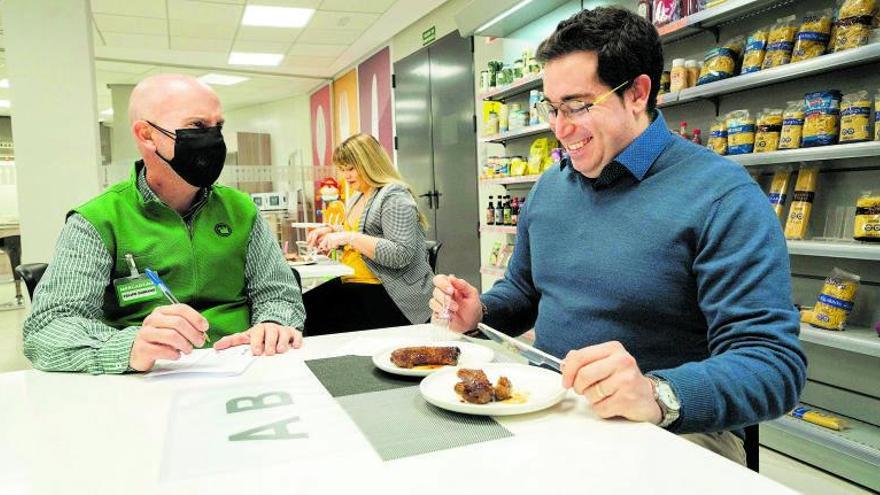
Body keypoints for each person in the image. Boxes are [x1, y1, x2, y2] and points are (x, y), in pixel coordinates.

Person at [431, 7, 806, 464]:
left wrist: (657, 393)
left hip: (671, 429)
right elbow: (526, 290)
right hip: (549, 408)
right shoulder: (550, 187)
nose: (560, 128)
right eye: (551, 108)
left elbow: (773, 366)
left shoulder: (721, 196)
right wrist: (481, 310)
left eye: (578, 105)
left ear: (637, 93)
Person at [22, 74, 305, 374]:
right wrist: (129, 347)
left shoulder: (241, 210)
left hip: (245, 371)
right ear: (146, 135)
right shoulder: (97, 220)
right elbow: (46, 329)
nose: (213, 140)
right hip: (149, 382)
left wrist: (273, 324)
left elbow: (279, 294)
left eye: (218, 127)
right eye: (197, 126)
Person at [304, 133, 432, 334]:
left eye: (351, 168)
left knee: (308, 318)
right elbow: (359, 231)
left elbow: (401, 254)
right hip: (355, 282)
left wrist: (347, 237)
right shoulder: (358, 196)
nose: (346, 176)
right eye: (342, 170)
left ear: (370, 163)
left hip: (387, 292)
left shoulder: (394, 196)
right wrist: (331, 231)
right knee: (300, 308)